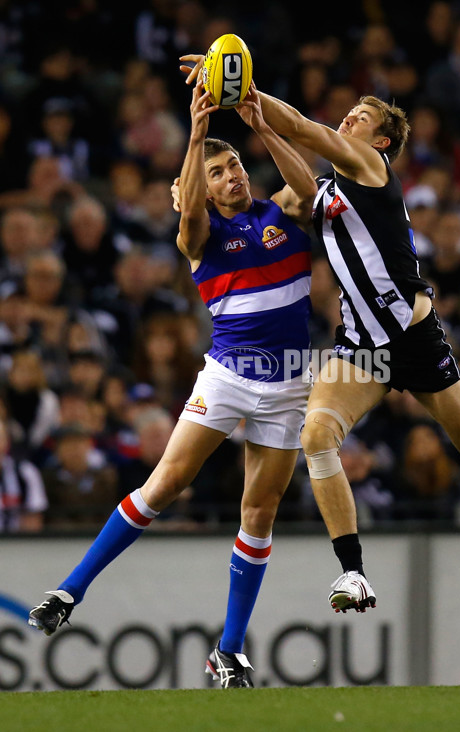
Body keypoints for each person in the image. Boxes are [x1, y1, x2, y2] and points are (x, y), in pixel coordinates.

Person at [180, 55, 460, 617]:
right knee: (317, 434)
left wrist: (247, 88)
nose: (349, 120)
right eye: (348, 114)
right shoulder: (330, 186)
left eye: (360, 118)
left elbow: (305, 128)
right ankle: (353, 573)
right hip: (362, 349)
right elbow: (286, 195)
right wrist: (236, 145)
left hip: (415, 342)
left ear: (381, 143)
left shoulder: (371, 171)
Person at [29, 80, 317, 689]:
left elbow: (313, 190)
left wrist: (261, 125)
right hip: (231, 377)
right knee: (166, 483)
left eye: (234, 164)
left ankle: (229, 651)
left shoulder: (281, 212)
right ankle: (69, 591)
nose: (233, 175)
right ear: (200, 185)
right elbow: (187, 215)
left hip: (290, 384)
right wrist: (193, 133)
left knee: (259, 513)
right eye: (218, 170)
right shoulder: (199, 237)